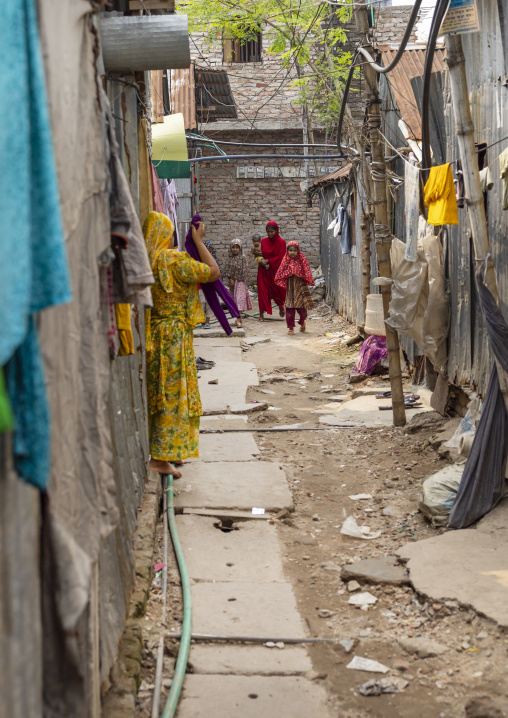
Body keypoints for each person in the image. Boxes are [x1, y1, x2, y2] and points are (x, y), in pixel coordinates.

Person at [143, 211, 220, 477]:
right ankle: (161, 458)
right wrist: (198, 241)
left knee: (162, 393)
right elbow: (212, 272)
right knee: (174, 395)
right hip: (174, 336)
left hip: (156, 334)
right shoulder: (171, 259)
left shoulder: (147, 261)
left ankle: (170, 451)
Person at [275, 240, 315, 335]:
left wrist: (299, 275)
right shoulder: (285, 260)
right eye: (290, 250)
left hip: (300, 287)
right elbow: (281, 272)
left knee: (302, 310)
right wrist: (289, 273)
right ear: (287, 251)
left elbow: (307, 271)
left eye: (294, 250)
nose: (292, 252)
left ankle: (302, 322)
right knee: (289, 308)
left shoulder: (302, 259)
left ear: (298, 251)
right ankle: (291, 328)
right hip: (290, 288)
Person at [257, 221, 286, 321]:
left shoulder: (281, 242)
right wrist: (261, 261)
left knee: (277, 290)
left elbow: (281, 257)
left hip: (275, 270)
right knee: (262, 291)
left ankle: (281, 307)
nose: (270, 234)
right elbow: (259, 254)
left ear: (276, 231)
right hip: (263, 270)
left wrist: (268, 260)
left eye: (272, 232)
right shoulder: (263, 241)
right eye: (268, 232)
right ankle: (261, 314)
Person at [224, 239, 252, 328]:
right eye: (233, 247)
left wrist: (238, 278)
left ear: (240, 248)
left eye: (237, 247)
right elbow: (227, 269)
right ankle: (238, 320)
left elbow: (245, 270)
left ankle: (239, 320)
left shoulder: (243, 258)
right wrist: (230, 278)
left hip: (240, 282)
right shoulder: (230, 258)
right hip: (232, 283)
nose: (235, 249)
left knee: (239, 300)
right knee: (234, 300)